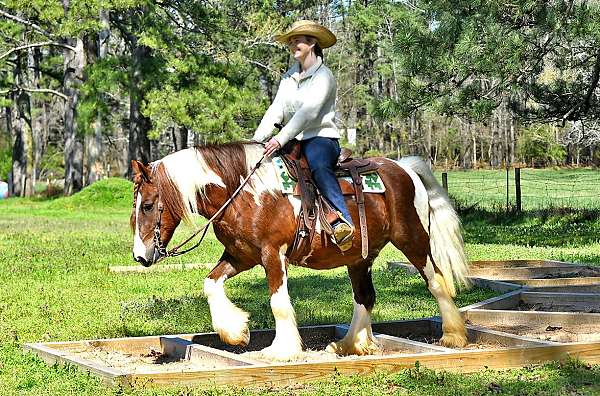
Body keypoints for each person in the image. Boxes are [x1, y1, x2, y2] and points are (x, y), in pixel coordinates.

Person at [252, 20, 354, 251]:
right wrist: (256, 141)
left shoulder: (324, 76)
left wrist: (280, 138)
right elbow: (276, 110)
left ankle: (341, 220)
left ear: (312, 43)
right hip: (292, 139)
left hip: (320, 138)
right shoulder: (288, 78)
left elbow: (309, 113)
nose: (293, 44)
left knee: (318, 166)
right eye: (291, 40)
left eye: (298, 39)